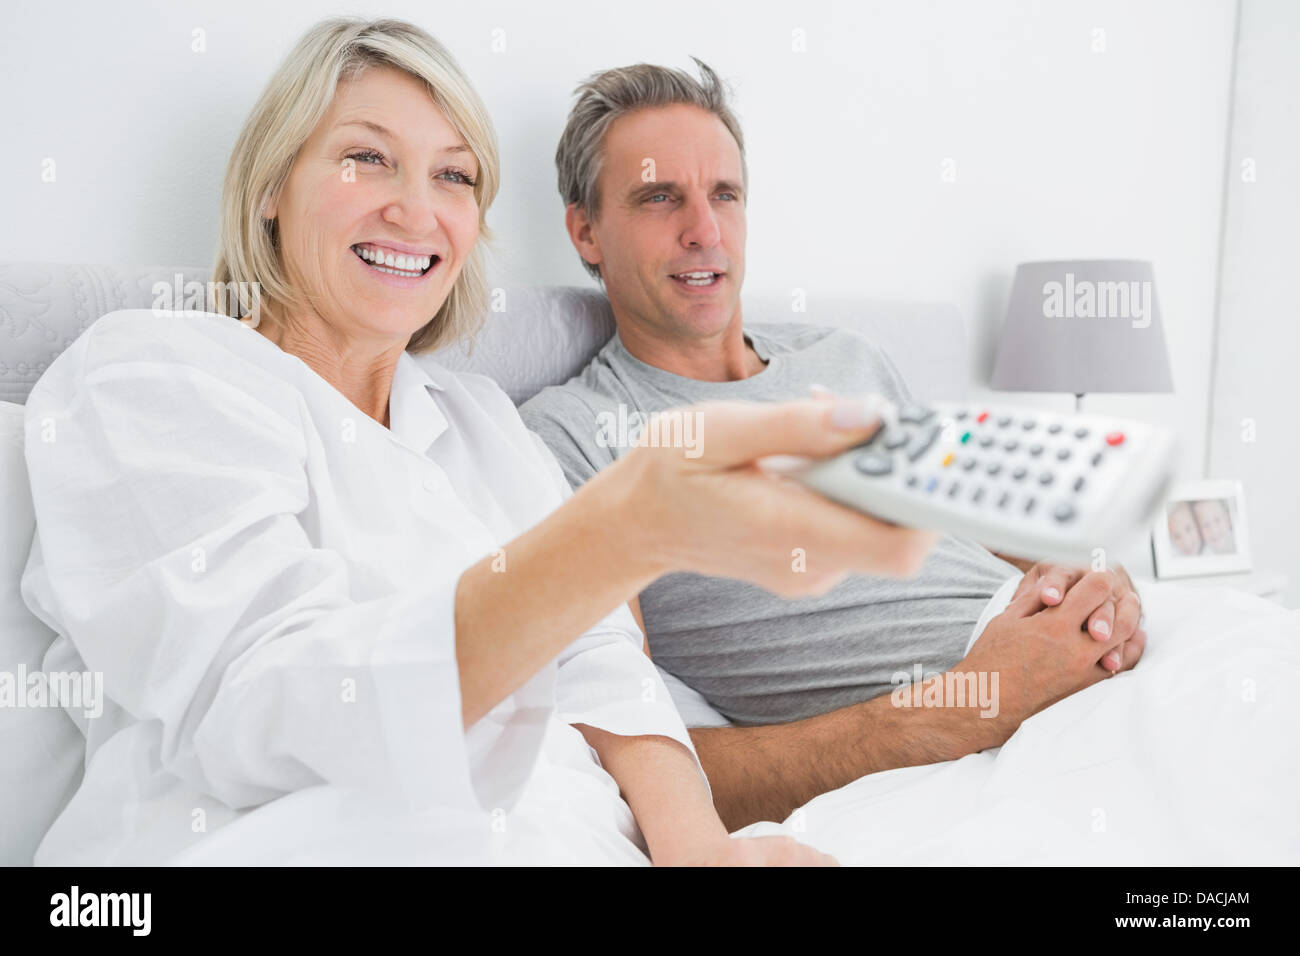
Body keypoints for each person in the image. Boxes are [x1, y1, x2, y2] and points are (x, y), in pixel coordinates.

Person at [20, 19, 937, 866]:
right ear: (269, 187)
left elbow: (603, 666)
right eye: (367, 159)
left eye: (453, 177)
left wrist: (702, 851)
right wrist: (618, 533)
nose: (416, 213)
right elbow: (267, 706)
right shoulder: (153, 373)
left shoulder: (482, 421)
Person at [520, 59, 1146, 831]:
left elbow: (1007, 535)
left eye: (725, 194)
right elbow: (635, 756)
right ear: (585, 229)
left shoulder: (846, 357)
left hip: (1110, 662)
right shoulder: (572, 438)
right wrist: (972, 706)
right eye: (659, 197)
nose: (704, 231)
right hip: (976, 750)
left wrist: (1098, 579)